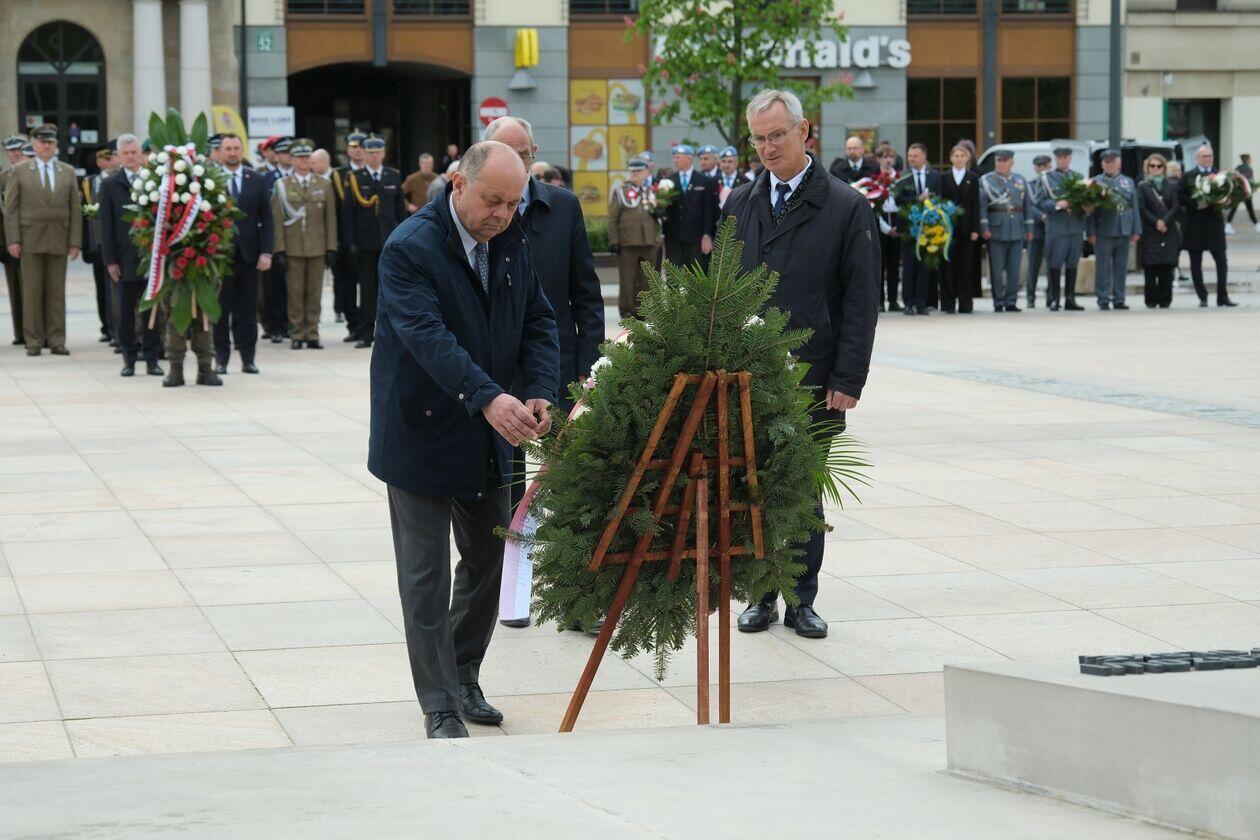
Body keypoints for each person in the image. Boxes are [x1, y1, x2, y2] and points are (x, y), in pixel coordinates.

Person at [370, 141, 558, 739]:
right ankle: (440, 704)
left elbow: (538, 318)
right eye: (492, 201)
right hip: (423, 429)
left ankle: (462, 672)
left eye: (513, 203)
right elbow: (427, 337)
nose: (502, 214)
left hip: (492, 427)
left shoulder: (511, 238)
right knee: (425, 575)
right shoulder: (410, 247)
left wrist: (539, 388)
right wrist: (487, 396)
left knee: (490, 558)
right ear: (457, 183)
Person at [723, 89, 879, 640]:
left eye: (776, 136)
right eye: (758, 139)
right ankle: (759, 595)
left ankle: (800, 598)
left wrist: (848, 377)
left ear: (803, 131)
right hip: (748, 376)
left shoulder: (846, 206)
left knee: (803, 490)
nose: (767, 148)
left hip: (814, 375)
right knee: (750, 485)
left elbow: (862, 300)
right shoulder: (739, 203)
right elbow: (722, 288)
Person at [3, 124, 81, 356]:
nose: (46, 146)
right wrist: (13, 239)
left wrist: (75, 241)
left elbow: (75, 209)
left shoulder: (67, 171)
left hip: (58, 238)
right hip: (30, 239)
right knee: (32, 292)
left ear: (55, 145)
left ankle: (57, 340)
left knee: (56, 292)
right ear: (34, 145)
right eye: (42, 142)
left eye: (50, 142)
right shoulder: (20, 171)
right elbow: (11, 209)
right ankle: (34, 340)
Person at [98, 134, 163, 378]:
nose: (131, 157)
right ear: (118, 156)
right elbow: (106, 226)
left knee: (152, 312)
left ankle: (152, 359)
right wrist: (110, 261)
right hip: (124, 259)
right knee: (125, 314)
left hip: (152, 258)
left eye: (134, 152)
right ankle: (129, 359)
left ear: (141, 153)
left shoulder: (155, 180)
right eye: (125, 153)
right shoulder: (110, 184)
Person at [211, 134, 273, 377]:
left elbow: (267, 219)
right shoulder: (210, 180)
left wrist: (266, 252)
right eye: (228, 148)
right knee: (220, 311)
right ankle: (221, 360)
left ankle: (248, 359)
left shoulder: (256, 179)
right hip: (220, 258)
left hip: (250, 256)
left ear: (242, 150)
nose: (232, 152)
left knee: (247, 311)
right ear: (220, 152)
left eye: (236, 148)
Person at [272, 139, 337, 350]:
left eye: (307, 157)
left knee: (315, 293)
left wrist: (331, 247)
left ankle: (312, 332)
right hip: (293, 248)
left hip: (317, 247)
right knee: (295, 293)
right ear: (292, 160)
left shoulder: (324, 185)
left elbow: (330, 219)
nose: (303, 161)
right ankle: (298, 333)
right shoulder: (282, 185)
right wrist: (279, 248)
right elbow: (277, 219)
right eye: (299, 157)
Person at [342, 135, 405, 348]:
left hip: (389, 242)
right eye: (370, 153)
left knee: (390, 290)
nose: (374, 156)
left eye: (378, 152)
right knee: (367, 291)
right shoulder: (355, 178)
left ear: (384, 153)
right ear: (365, 154)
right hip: (365, 243)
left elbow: (400, 212)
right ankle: (366, 333)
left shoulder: (393, 176)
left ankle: (392, 334)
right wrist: (350, 242)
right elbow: (348, 214)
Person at [1181, 144, 1236, 307]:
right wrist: (1196, 203)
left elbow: (1229, 194)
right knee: (1195, 263)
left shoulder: (1221, 175)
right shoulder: (1188, 176)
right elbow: (1181, 196)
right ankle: (1202, 296)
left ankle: (1222, 297)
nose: (1208, 159)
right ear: (1197, 158)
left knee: (1221, 261)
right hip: (1195, 225)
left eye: (1210, 156)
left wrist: (1227, 201)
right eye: (1204, 156)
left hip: (1214, 225)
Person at [1087, 149, 1141, 311]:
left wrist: (1136, 229)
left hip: (1124, 229)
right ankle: (1103, 298)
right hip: (1104, 230)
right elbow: (1090, 211)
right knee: (1103, 268)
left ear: (1119, 163)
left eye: (1113, 161)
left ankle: (1119, 298)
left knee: (1121, 268)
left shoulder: (1128, 181)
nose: (1110, 164)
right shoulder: (1095, 182)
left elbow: (1134, 206)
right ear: (1102, 164)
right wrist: (1090, 232)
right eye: (1107, 162)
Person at [978, 149, 1032, 313]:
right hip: (996, 230)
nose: (1001, 164)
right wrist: (984, 228)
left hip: (1016, 229)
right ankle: (998, 301)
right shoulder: (987, 181)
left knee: (1014, 269)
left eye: (1005, 161)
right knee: (996, 269)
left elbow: (1027, 207)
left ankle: (1011, 301)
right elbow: (982, 208)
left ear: (1011, 162)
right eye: (999, 161)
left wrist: (1029, 228)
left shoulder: (1020, 180)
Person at [1034, 146, 1087, 311]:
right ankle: (1054, 298)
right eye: (1060, 157)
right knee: (1055, 263)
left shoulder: (1079, 178)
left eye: (1066, 157)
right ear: (1056, 159)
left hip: (1075, 226)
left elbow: (1085, 200)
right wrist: (1057, 204)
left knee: (1072, 263)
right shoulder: (1046, 178)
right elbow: (1039, 201)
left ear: (1070, 158)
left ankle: (1070, 298)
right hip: (1056, 227)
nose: (1063, 160)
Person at [608, 158, 660, 319]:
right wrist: (614, 241)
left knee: (648, 279)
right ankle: (627, 312)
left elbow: (658, 216)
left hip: (649, 241)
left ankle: (647, 310)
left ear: (647, 172)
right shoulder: (621, 192)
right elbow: (612, 219)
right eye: (633, 171)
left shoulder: (652, 191)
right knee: (627, 279)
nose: (635, 174)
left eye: (639, 171)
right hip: (627, 241)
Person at [330, 130, 367, 335]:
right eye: (354, 147)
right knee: (348, 284)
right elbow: (336, 209)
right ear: (347, 150)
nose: (358, 150)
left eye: (361, 147)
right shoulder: (339, 174)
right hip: (346, 236)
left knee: (370, 286)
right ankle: (353, 325)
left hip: (370, 237)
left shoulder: (375, 172)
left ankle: (367, 324)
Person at [895, 142, 940, 316]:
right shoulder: (902, 176)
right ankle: (908, 303)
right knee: (909, 267)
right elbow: (898, 199)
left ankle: (922, 303)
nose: (911, 158)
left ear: (924, 157)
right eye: (910, 156)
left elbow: (939, 197)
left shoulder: (934, 176)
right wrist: (917, 200)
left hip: (928, 229)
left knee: (924, 267)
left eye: (915, 156)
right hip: (908, 229)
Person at [659, 144, 718, 269]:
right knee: (674, 275)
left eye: (678, 157)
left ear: (688, 159)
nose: (675, 160)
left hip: (696, 238)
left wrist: (707, 235)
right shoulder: (668, 181)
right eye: (674, 157)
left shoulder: (705, 181)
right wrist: (662, 234)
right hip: (674, 238)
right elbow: (663, 210)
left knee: (697, 274)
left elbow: (709, 211)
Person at [939, 142, 980, 314]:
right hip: (948, 228)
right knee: (947, 266)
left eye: (962, 156)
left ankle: (965, 303)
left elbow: (976, 204)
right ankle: (948, 303)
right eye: (956, 156)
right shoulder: (944, 177)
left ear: (967, 158)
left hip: (966, 228)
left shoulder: (973, 177)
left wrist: (975, 229)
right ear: (951, 158)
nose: (959, 158)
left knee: (965, 267)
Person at [1137, 153, 1181, 308]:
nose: (1155, 169)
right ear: (1148, 168)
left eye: (1159, 166)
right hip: (1150, 231)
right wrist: (1156, 222)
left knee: (1167, 267)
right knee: (1150, 267)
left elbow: (1176, 206)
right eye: (1152, 166)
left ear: (1164, 168)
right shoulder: (1143, 186)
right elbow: (1142, 208)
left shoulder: (1172, 186)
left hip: (1168, 231)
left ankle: (1165, 299)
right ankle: (1151, 299)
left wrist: (1164, 221)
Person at [82, 144, 116, 346]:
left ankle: (115, 328)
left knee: (114, 288)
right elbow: (84, 216)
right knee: (102, 288)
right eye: (105, 159)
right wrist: (86, 245)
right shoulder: (90, 182)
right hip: (97, 243)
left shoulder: (117, 179)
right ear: (98, 161)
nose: (108, 162)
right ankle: (106, 326)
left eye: (111, 158)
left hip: (113, 242)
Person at [261, 137, 294, 343]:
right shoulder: (267, 178)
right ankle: (274, 327)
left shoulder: (302, 177)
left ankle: (290, 325)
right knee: (272, 287)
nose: (287, 157)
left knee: (294, 287)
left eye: (290, 153)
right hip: (274, 238)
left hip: (297, 239)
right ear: (276, 155)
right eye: (283, 153)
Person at [0, 134, 26, 345]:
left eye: (18, 149)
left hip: (31, 239)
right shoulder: (3, 178)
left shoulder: (33, 173)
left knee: (33, 290)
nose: (15, 154)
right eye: (11, 151)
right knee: (15, 289)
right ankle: (20, 332)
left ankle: (36, 331)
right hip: (8, 241)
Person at [874, 143, 901, 312]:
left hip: (897, 223)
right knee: (880, 265)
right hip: (881, 224)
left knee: (894, 265)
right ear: (878, 159)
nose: (888, 160)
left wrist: (898, 226)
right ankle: (880, 301)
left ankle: (893, 300)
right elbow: (873, 206)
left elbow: (904, 202)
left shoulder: (899, 178)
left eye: (891, 157)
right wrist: (885, 227)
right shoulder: (874, 179)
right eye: (884, 157)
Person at [1025, 155, 1052, 308]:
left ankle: (1051, 297)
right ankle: (1030, 297)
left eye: (1045, 165)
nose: (1042, 168)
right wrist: (1041, 216)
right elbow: (1028, 205)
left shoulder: (1054, 183)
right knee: (1033, 266)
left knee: (1052, 265)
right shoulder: (1029, 185)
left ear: (1050, 166)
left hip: (1052, 229)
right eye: (1039, 166)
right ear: (1035, 168)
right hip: (1036, 230)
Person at [1226, 153, 1256, 234]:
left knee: (1234, 208)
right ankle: (1257, 225)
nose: (1251, 160)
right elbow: (1249, 181)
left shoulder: (1238, 168)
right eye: (1250, 159)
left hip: (1238, 193)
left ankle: (1228, 225)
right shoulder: (1248, 168)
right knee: (1250, 209)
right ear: (1247, 160)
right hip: (1245, 192)